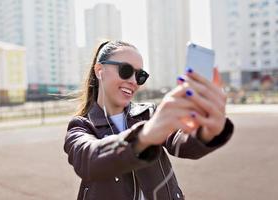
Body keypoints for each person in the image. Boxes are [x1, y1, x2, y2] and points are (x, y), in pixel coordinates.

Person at [64, 40, 234, 200]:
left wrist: (207, 132)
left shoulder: (150, 113)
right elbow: (89, 161)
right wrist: (145, 136)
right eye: (125, 71)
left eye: (140, 76)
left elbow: (181, 144)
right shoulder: (81, 126)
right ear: (99, 70)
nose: (133, 81)